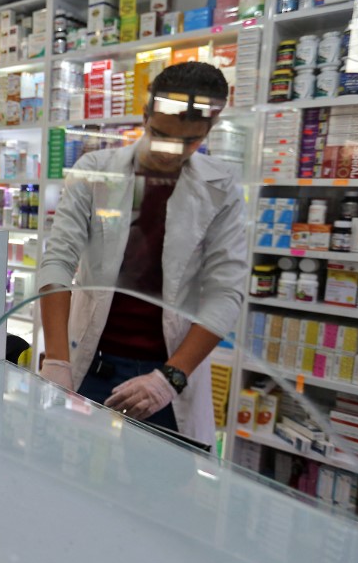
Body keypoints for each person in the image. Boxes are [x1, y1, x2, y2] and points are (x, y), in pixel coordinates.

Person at [36, 61, 249, 447]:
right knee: (65, 476)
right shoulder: (95, 171)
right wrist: (56, 361)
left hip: (167, 373)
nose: (171, 151)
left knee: (159, 493)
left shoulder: (221, 187)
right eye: (161, 133)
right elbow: (58, 261)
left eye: (190, 141)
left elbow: (226, 292)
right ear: (145, 116)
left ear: (209, 130)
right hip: (89, 362)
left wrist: (171, 378)